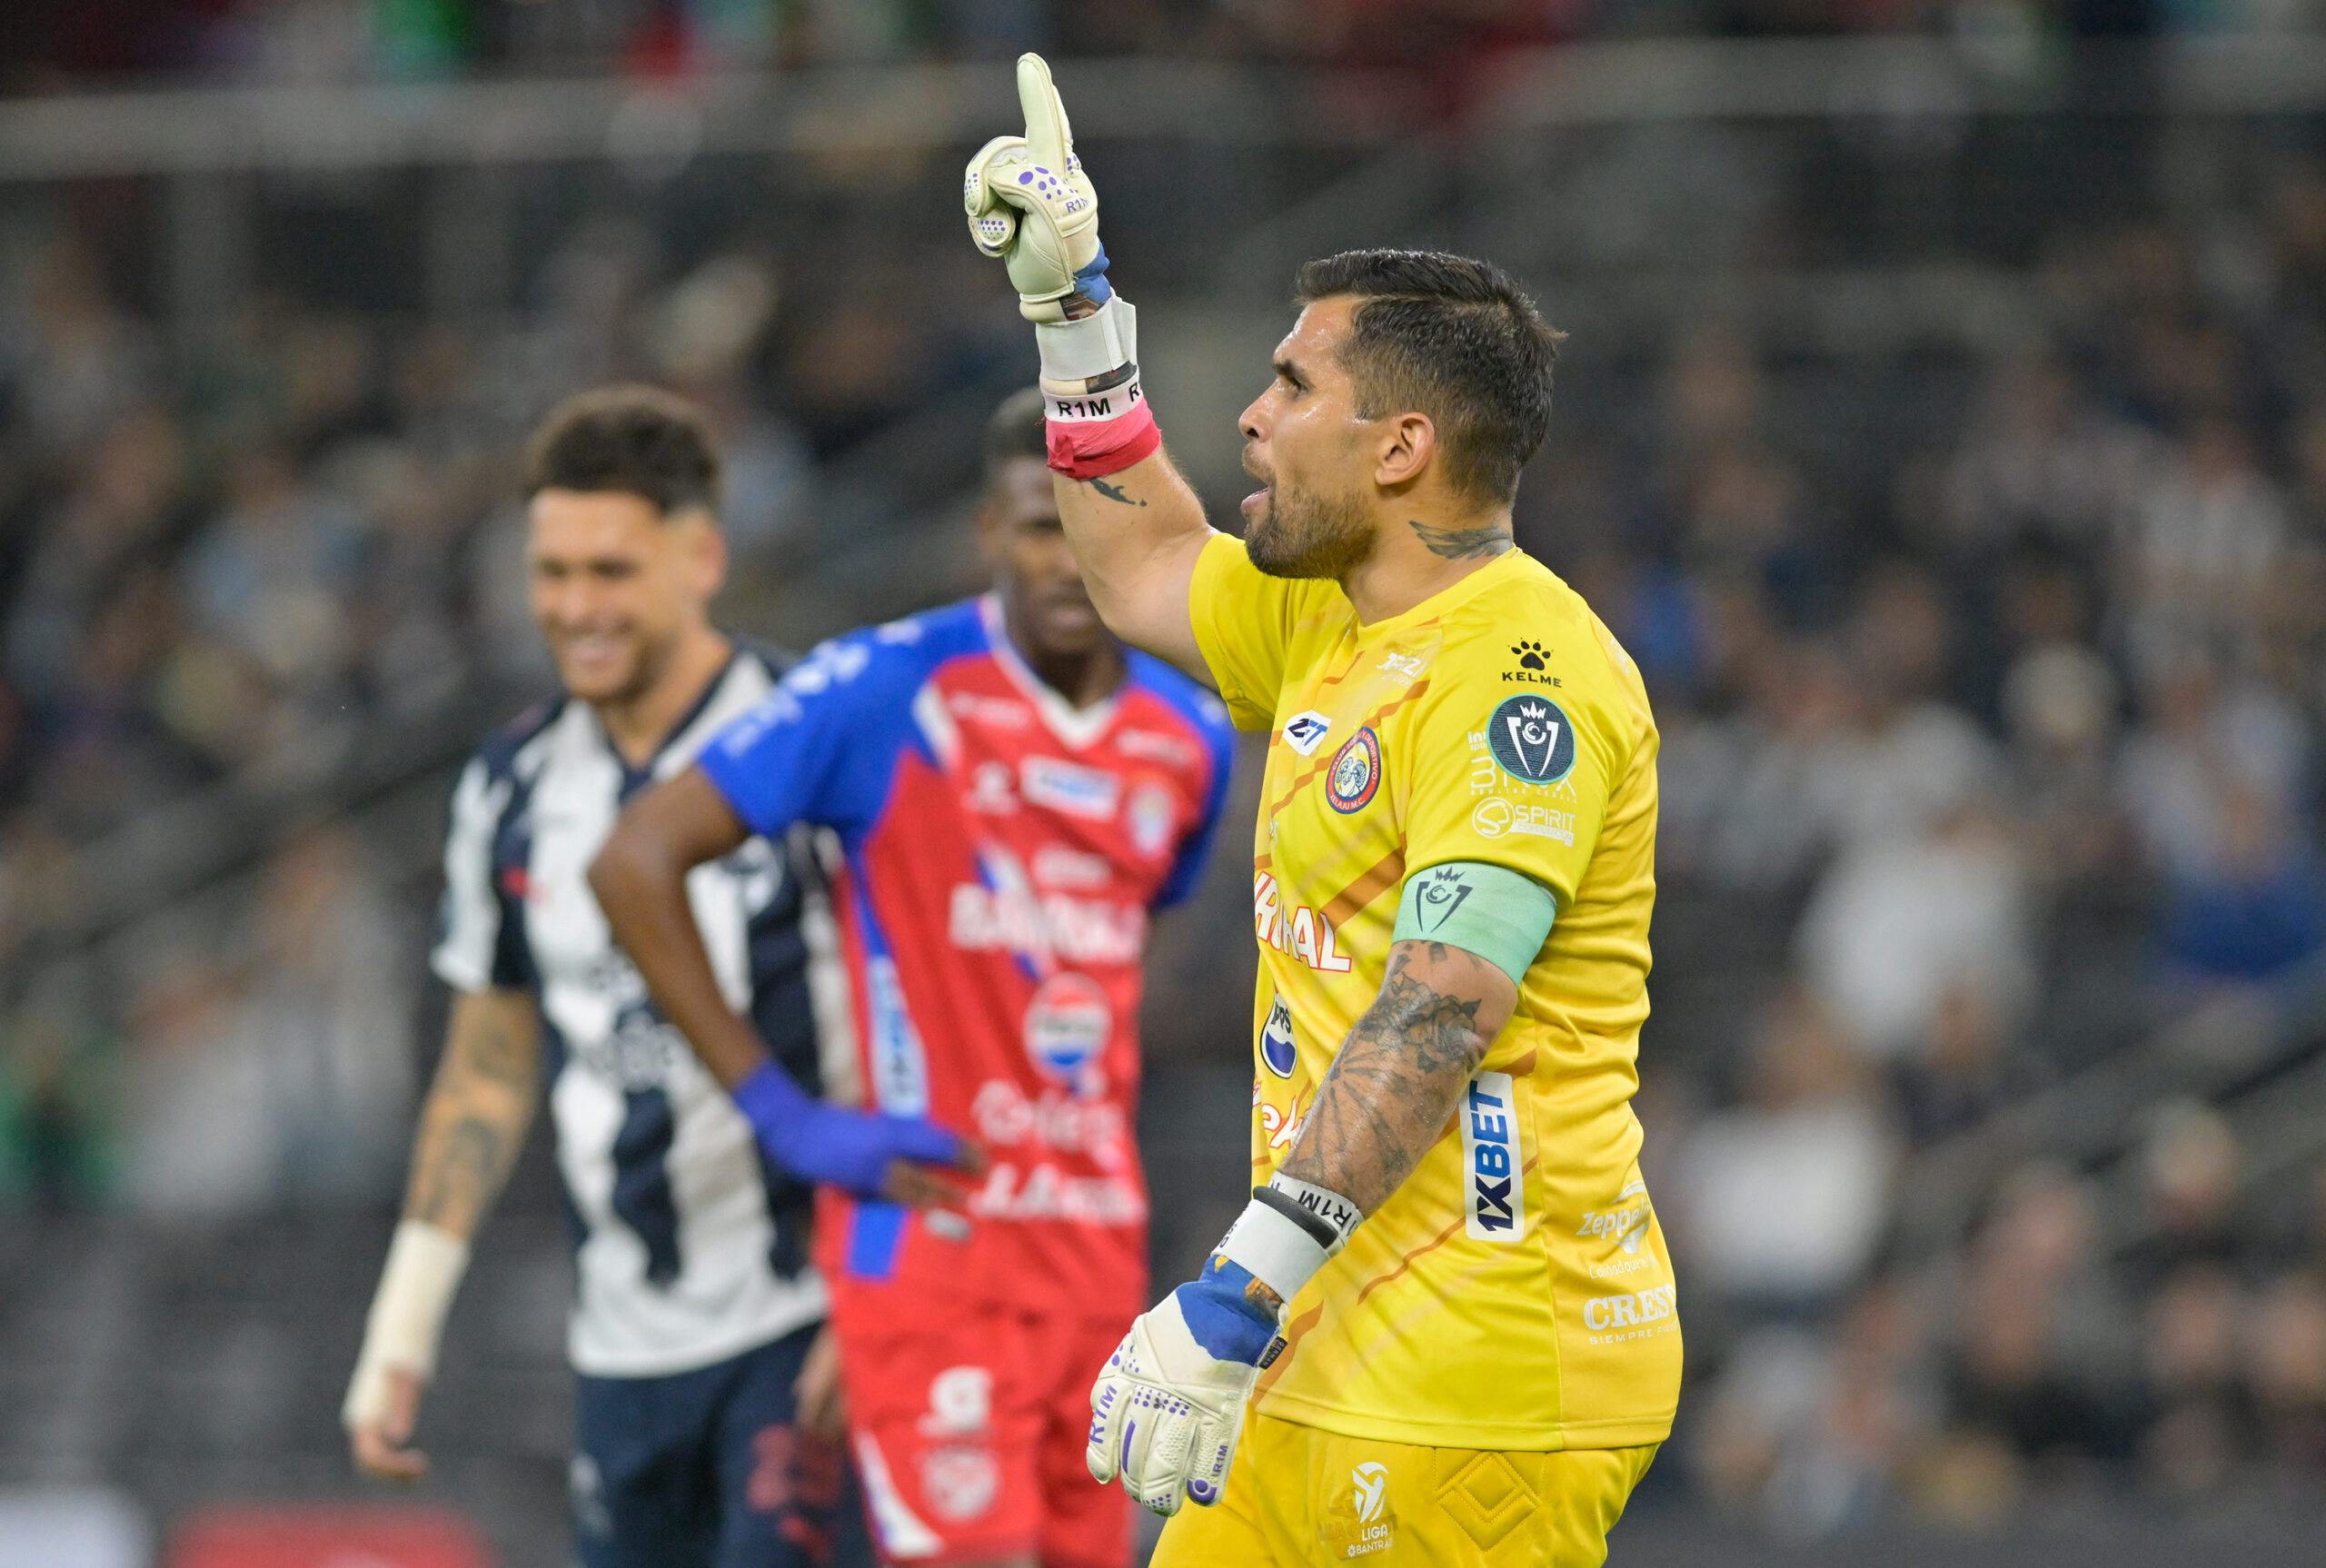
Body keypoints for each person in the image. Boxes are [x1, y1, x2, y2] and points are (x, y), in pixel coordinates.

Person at [957, 55, 1682, 1567]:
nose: (1252, 417)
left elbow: (1443, 1006)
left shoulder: (1515, 675)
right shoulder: (1332, 622)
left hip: (1476, 1374)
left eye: (1293, 387)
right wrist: (1074, 310)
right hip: (1316, 1344)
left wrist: (1231, 1288)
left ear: (1403, 446)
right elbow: (1143, 562)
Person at [587, 388, 1235, 1568]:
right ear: (987, 531)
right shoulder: (884, 690)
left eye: (1088, 522)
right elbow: (634, 859)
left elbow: (1111, 963)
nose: (1062, 555)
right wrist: (781, 1114)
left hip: (1097, 1258)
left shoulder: (1191, 740)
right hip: (931, 1240)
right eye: (1036, 524)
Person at [343, 386, 971, 1568]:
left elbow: (935, 1018)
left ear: (703, 558)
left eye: (610, 570)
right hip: (622, 1347)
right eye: (553, 571)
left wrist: (880, 1283)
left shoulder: (812, 741)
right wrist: (400, 1331)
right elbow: (485, 1069)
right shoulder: (509, 790)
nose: (575, 607)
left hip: (802, 1317)